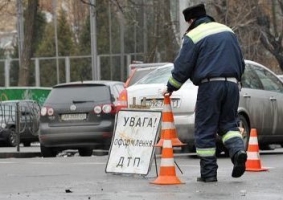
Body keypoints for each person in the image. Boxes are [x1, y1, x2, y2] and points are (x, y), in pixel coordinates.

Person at [162, 3, 247, 182]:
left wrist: (170, 87)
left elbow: (183, 67)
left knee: (205, 129)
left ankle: (209, 174)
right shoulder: (227, 31)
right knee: (229, 125)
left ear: (191, 20)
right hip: (233, 84)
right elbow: (241, 60)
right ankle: (238, 152)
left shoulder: (193, 36)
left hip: (210, 87)